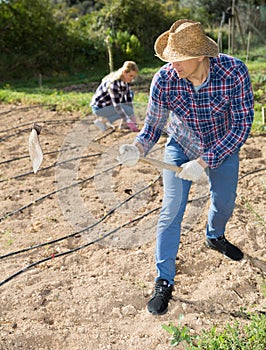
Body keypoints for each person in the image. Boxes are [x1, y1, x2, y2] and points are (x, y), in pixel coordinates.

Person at [117, 19, 254, 315]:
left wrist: (206, 160)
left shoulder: (234, 72)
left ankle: (214, 235)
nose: (172, 64)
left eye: (178, 59)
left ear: (201, 55)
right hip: (180, 146)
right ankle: (163, 280)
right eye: (169, 58)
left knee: (224, 202)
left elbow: (243, 125)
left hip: (223, 145)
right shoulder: (165, 79)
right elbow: (152, 126)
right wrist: (137, 148)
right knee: (171, 209)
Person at [90, 61, 139, 132]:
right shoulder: (114, 84)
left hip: (109, 104)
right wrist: (128, 120)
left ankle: (124, 124)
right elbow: (117, 106)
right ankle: (103, 121)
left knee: (131, 95)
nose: (132, 79)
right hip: (99, 108)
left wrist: (132, 115)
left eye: (133, 77)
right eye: (131, 76)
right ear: (124, 72)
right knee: (126, 110)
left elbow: (128, 99)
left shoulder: (126, 81)